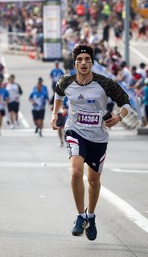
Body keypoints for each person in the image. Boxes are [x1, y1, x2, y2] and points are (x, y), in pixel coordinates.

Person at [50, 43, 131, 241]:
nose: (83, 63)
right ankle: (80, 216)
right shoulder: (65, 81)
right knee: (76, 171)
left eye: (87, 60)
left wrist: (119, 117)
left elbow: (126, 102)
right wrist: (54, 115)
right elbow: (58, 94)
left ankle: (91, 217)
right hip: (75, 131)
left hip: (98, 136)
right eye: (79, 60)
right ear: (75, 64)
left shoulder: (105, 83)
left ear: (92, 63)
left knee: (93, 180)